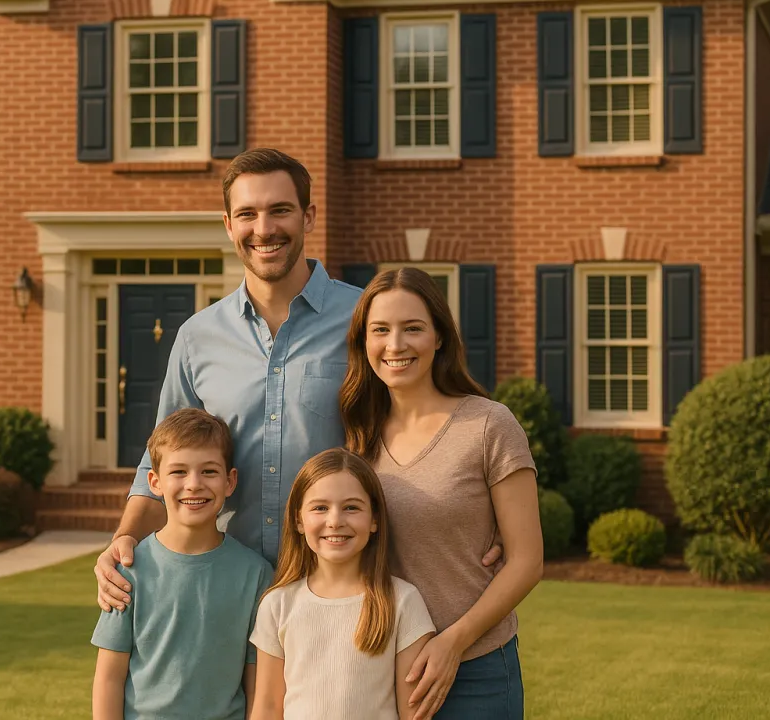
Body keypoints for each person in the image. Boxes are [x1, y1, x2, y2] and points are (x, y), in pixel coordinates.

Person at [93, 148, 504, 612]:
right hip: (233, 592)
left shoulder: (366, 320)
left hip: (347, 590)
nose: (264, 229)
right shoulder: (196, 338)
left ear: (308, 217)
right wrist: (123, 539)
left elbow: (431, 418)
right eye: (247, 214)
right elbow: (161, 466)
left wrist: (486, 515)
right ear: (228, 224)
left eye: (280, 211)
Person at [340, 267, 544, 720]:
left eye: (413, 328)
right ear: (363, 342)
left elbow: (527, 560)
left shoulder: (489, 426)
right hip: (377, 665)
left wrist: (453, 642)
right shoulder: (356, 437)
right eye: (381, 330)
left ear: (439, 338)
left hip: (474, 667)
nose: (396, 345)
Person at [91, 408, 273, 720]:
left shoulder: (256, 574)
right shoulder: (129, 569)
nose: (194, 484)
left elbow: (256, 683)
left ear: (230, 482)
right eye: (178, 472)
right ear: (154, 482)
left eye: (209, 472)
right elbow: (109, 678)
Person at [249, 448, 436, 720]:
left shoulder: (402, 601)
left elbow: (414, 714)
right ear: (299, 520)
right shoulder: (277, 605)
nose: (335, 521)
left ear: (374, 520)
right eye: (320, 508)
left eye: (351, 507)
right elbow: (267, 708)